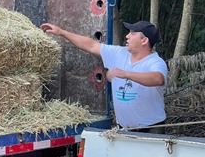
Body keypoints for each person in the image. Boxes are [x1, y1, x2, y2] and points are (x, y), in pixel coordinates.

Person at [40, 20, 168, 134]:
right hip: (124, 128)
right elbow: (91, 45)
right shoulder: (119, 53)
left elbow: (158, 78)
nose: (127, 36)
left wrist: (125, 73)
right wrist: (61, 32)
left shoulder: (155, 62)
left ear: (144, 41)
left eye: (133, 33)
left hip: (152, 129)